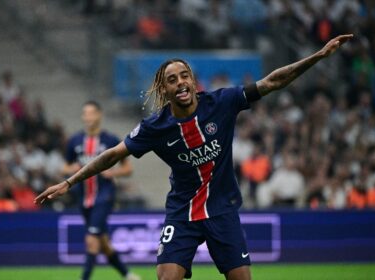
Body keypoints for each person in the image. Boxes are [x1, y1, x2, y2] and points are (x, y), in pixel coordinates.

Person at [35, 34, 353, 280]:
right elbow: (112, 155)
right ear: (165, 89)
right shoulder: (155, 126)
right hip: (182, 214)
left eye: (184, 75)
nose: (180, 83)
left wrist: (319, 56)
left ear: (192, 79)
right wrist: (69, 181)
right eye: (172, 80)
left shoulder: (223, 101)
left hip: (222, 210)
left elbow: (272, 82)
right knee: (165, 275)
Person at [62, 101, 140, 280]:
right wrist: (72, 169)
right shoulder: (74, 141)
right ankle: (127, 275)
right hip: (83, 198)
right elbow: (64, 168)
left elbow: (128, 169)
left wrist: (112, 172)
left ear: (99, 115)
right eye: (85, 114)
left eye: (91, 113)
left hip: (105, 196)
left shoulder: (110, 140)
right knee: (103, 243)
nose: (88, 117)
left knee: (92, 239)